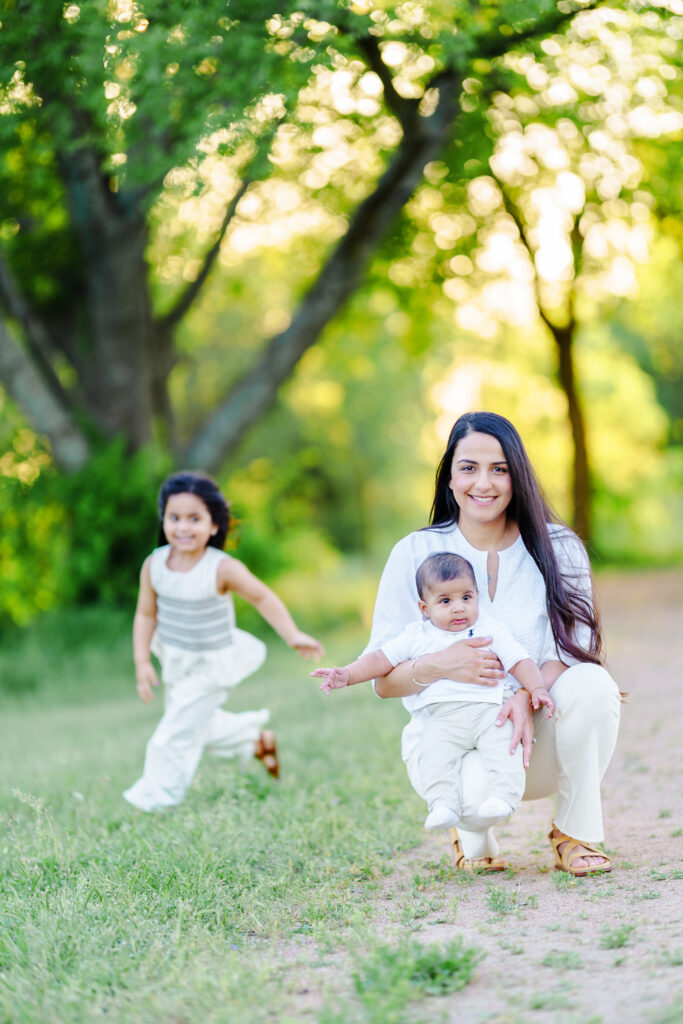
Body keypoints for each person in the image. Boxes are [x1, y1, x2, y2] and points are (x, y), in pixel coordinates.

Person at [365, 411, 620, 876]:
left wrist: (525, 694)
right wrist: (440, 665)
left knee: (594, 683)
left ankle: (574, 832)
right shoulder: (414, 554)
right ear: (449, 478)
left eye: (499, 469)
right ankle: (472, 832)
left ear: (517, 475)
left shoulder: (559, 547)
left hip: (537, 735)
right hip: (454, 741)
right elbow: (382, 682)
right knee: (470, 794)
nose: (484, 483)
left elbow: (574, 650)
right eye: (469, 467)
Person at [123, 471, 324, 811]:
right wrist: (142, 662)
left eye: (194, 519)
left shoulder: (221, 568)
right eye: (175, 518)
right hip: (175, 661)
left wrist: (292, 635)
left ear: (214, 525)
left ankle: (155, 801)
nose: (183, 527)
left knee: (172, 735)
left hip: (211, 665)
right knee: (200, 725)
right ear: (164, 520)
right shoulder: (154, 565)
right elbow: (146, 615)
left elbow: (262, 597)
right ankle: (256, 742)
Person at [313, 551, 554, 831]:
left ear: (477, 596)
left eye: (466, 597)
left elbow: (519, 660)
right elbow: (380, 660)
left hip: (491, 711)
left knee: (504, 748)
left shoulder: (490, 629)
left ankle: (503, 797)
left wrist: (535, 688)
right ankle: (443, 805)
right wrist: (348, 674)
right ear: (425, 608)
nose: (459, 608)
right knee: (434, 755)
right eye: (445, 601)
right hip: (443, 717)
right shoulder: (417, 636)